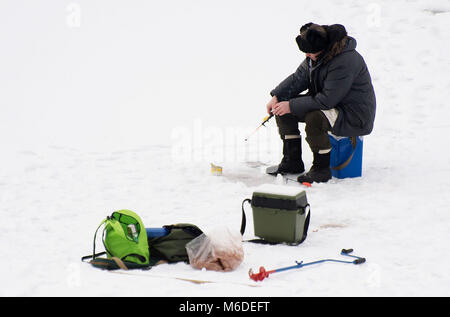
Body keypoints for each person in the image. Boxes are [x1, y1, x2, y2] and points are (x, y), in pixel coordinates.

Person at [266, 22, 376, 183]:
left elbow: (327, 100)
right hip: (331, 105)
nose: (306, 56)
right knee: (282, 107)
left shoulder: (345, 61)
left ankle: (321, 168)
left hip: (353, 114)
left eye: (310, 53)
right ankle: (292, 161)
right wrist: (277, 96)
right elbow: (299, 78)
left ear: (323, 48)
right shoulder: (317, 54)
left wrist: (291, 105)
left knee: (315, 118)